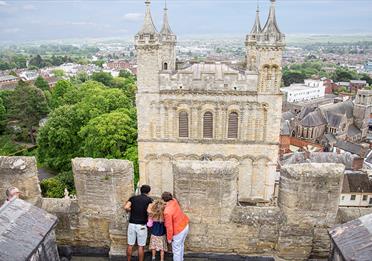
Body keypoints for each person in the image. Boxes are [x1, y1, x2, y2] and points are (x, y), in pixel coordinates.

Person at [124, 185, 153, 261]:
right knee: (141, 246)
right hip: (142, 226)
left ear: (140, 190)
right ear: (148, 192)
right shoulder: (149, 200)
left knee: (130, 244)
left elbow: (126, 207)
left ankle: (128, 260)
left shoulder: (133, 198)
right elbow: (149, 211)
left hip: (132, 224)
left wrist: (132, 209)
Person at [162, 192, 189, 261]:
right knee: (181, 246)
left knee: (176, 250)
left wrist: (169, 238)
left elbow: (169, 227)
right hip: (185, 225)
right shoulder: (174, 201)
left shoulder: (167, 212)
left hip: (178, 230)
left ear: (163, 200)